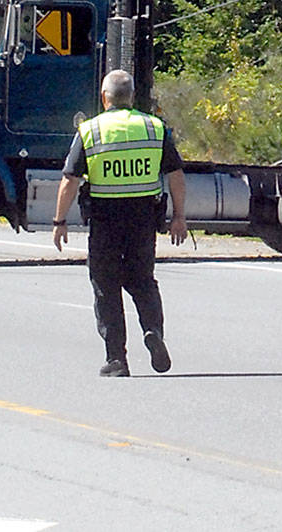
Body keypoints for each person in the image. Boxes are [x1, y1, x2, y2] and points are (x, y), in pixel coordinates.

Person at [53, 68, 188, 377]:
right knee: (143, 280)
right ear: (132, 97)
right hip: (143, 219)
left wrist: (59, 220)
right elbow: (176, 175)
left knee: (106, 287)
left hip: (105, 220)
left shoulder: (91, 130)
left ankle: (117, 359)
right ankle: (153, 330)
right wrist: (179, 217)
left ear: (105, 98)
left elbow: (69, 180)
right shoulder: (154, 127)